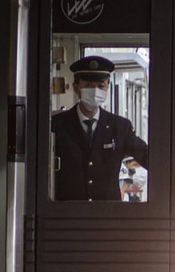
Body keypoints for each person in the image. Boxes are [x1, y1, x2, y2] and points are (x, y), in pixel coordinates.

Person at [51, 55, 150, 201]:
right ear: (76, 87)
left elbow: (148, 158)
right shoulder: (57, 125)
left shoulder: (120, 127)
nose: (95, 91)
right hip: (68, 214)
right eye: (88, 85)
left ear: (108, 86)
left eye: (100, 86)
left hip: (107, 215)